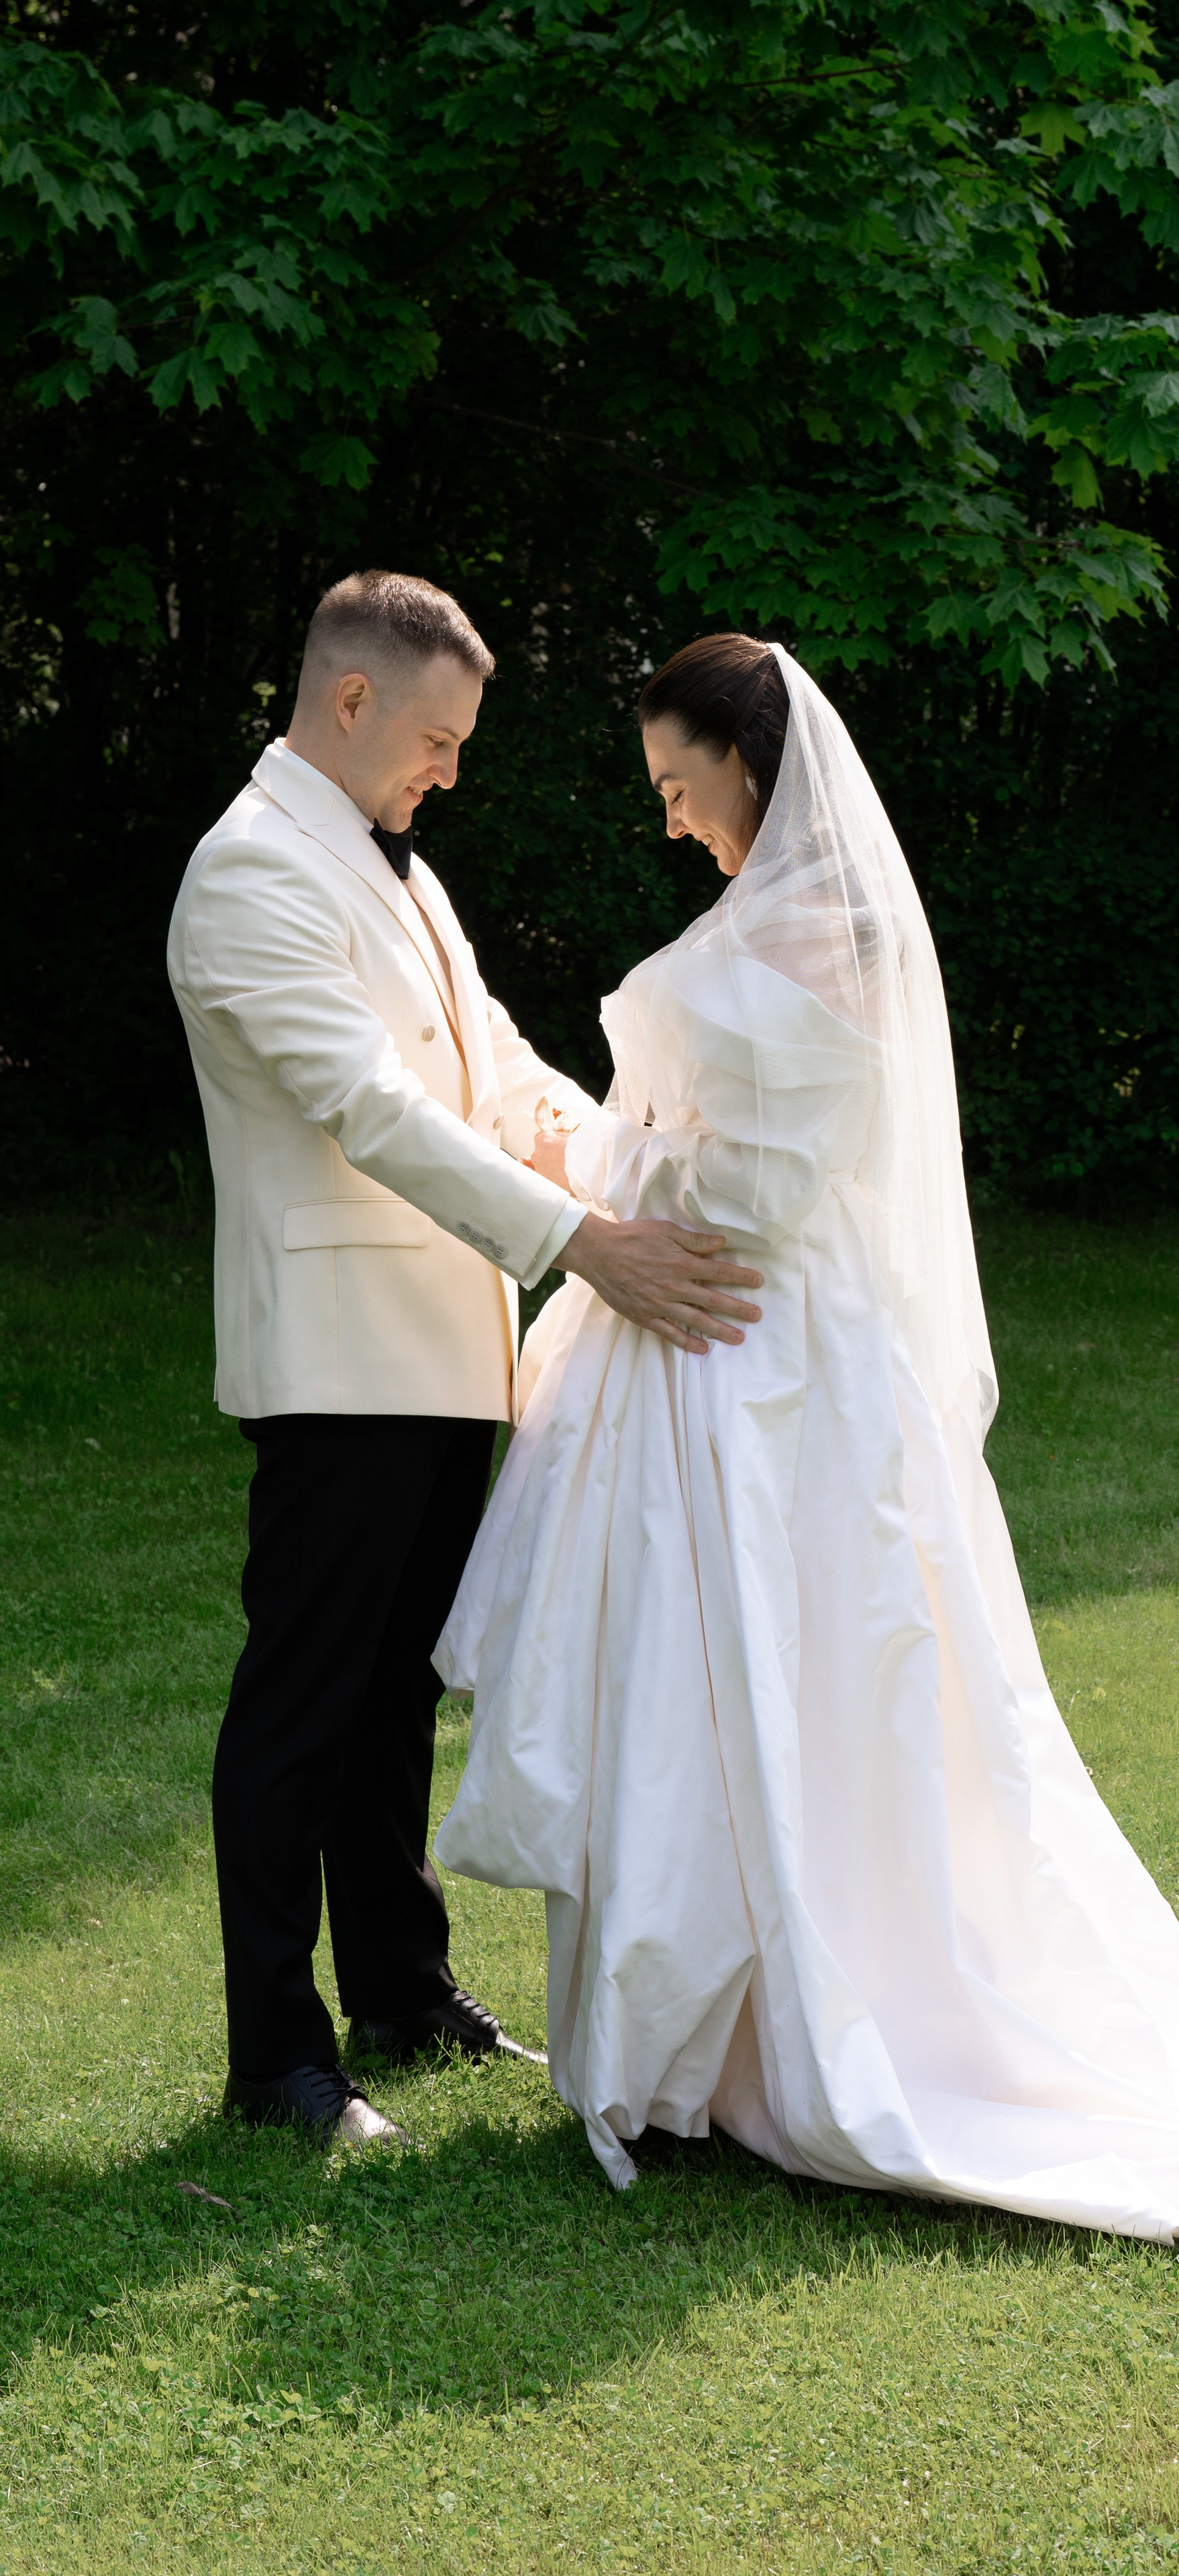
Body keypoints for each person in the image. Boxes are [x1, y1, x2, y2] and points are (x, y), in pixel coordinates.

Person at [431, 635, 1179, 2239]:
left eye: (680, 786)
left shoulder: (828, 937)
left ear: (749, 767)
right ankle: (701, 2043)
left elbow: (764, 1187)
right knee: (691, 1684)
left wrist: (619, 1188)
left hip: (765, 1355)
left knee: (812, 1680)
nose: (672, 820)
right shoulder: (753, 922)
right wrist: (606, 1165)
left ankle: (815, 2026)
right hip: (704, 1347)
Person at [166, 573, 764, 2149]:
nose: (449, 770)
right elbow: (373, 1109)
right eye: (438, 737)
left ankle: (402, 1989)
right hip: (335, 1358)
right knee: (301, 1707)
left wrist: (629, 1161)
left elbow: (489, 1069)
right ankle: (276, 2061)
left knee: (389, 1702)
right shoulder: (246, 874)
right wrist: (585, 1248)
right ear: (350, 699)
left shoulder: (400, 873)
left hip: (446, 1357)